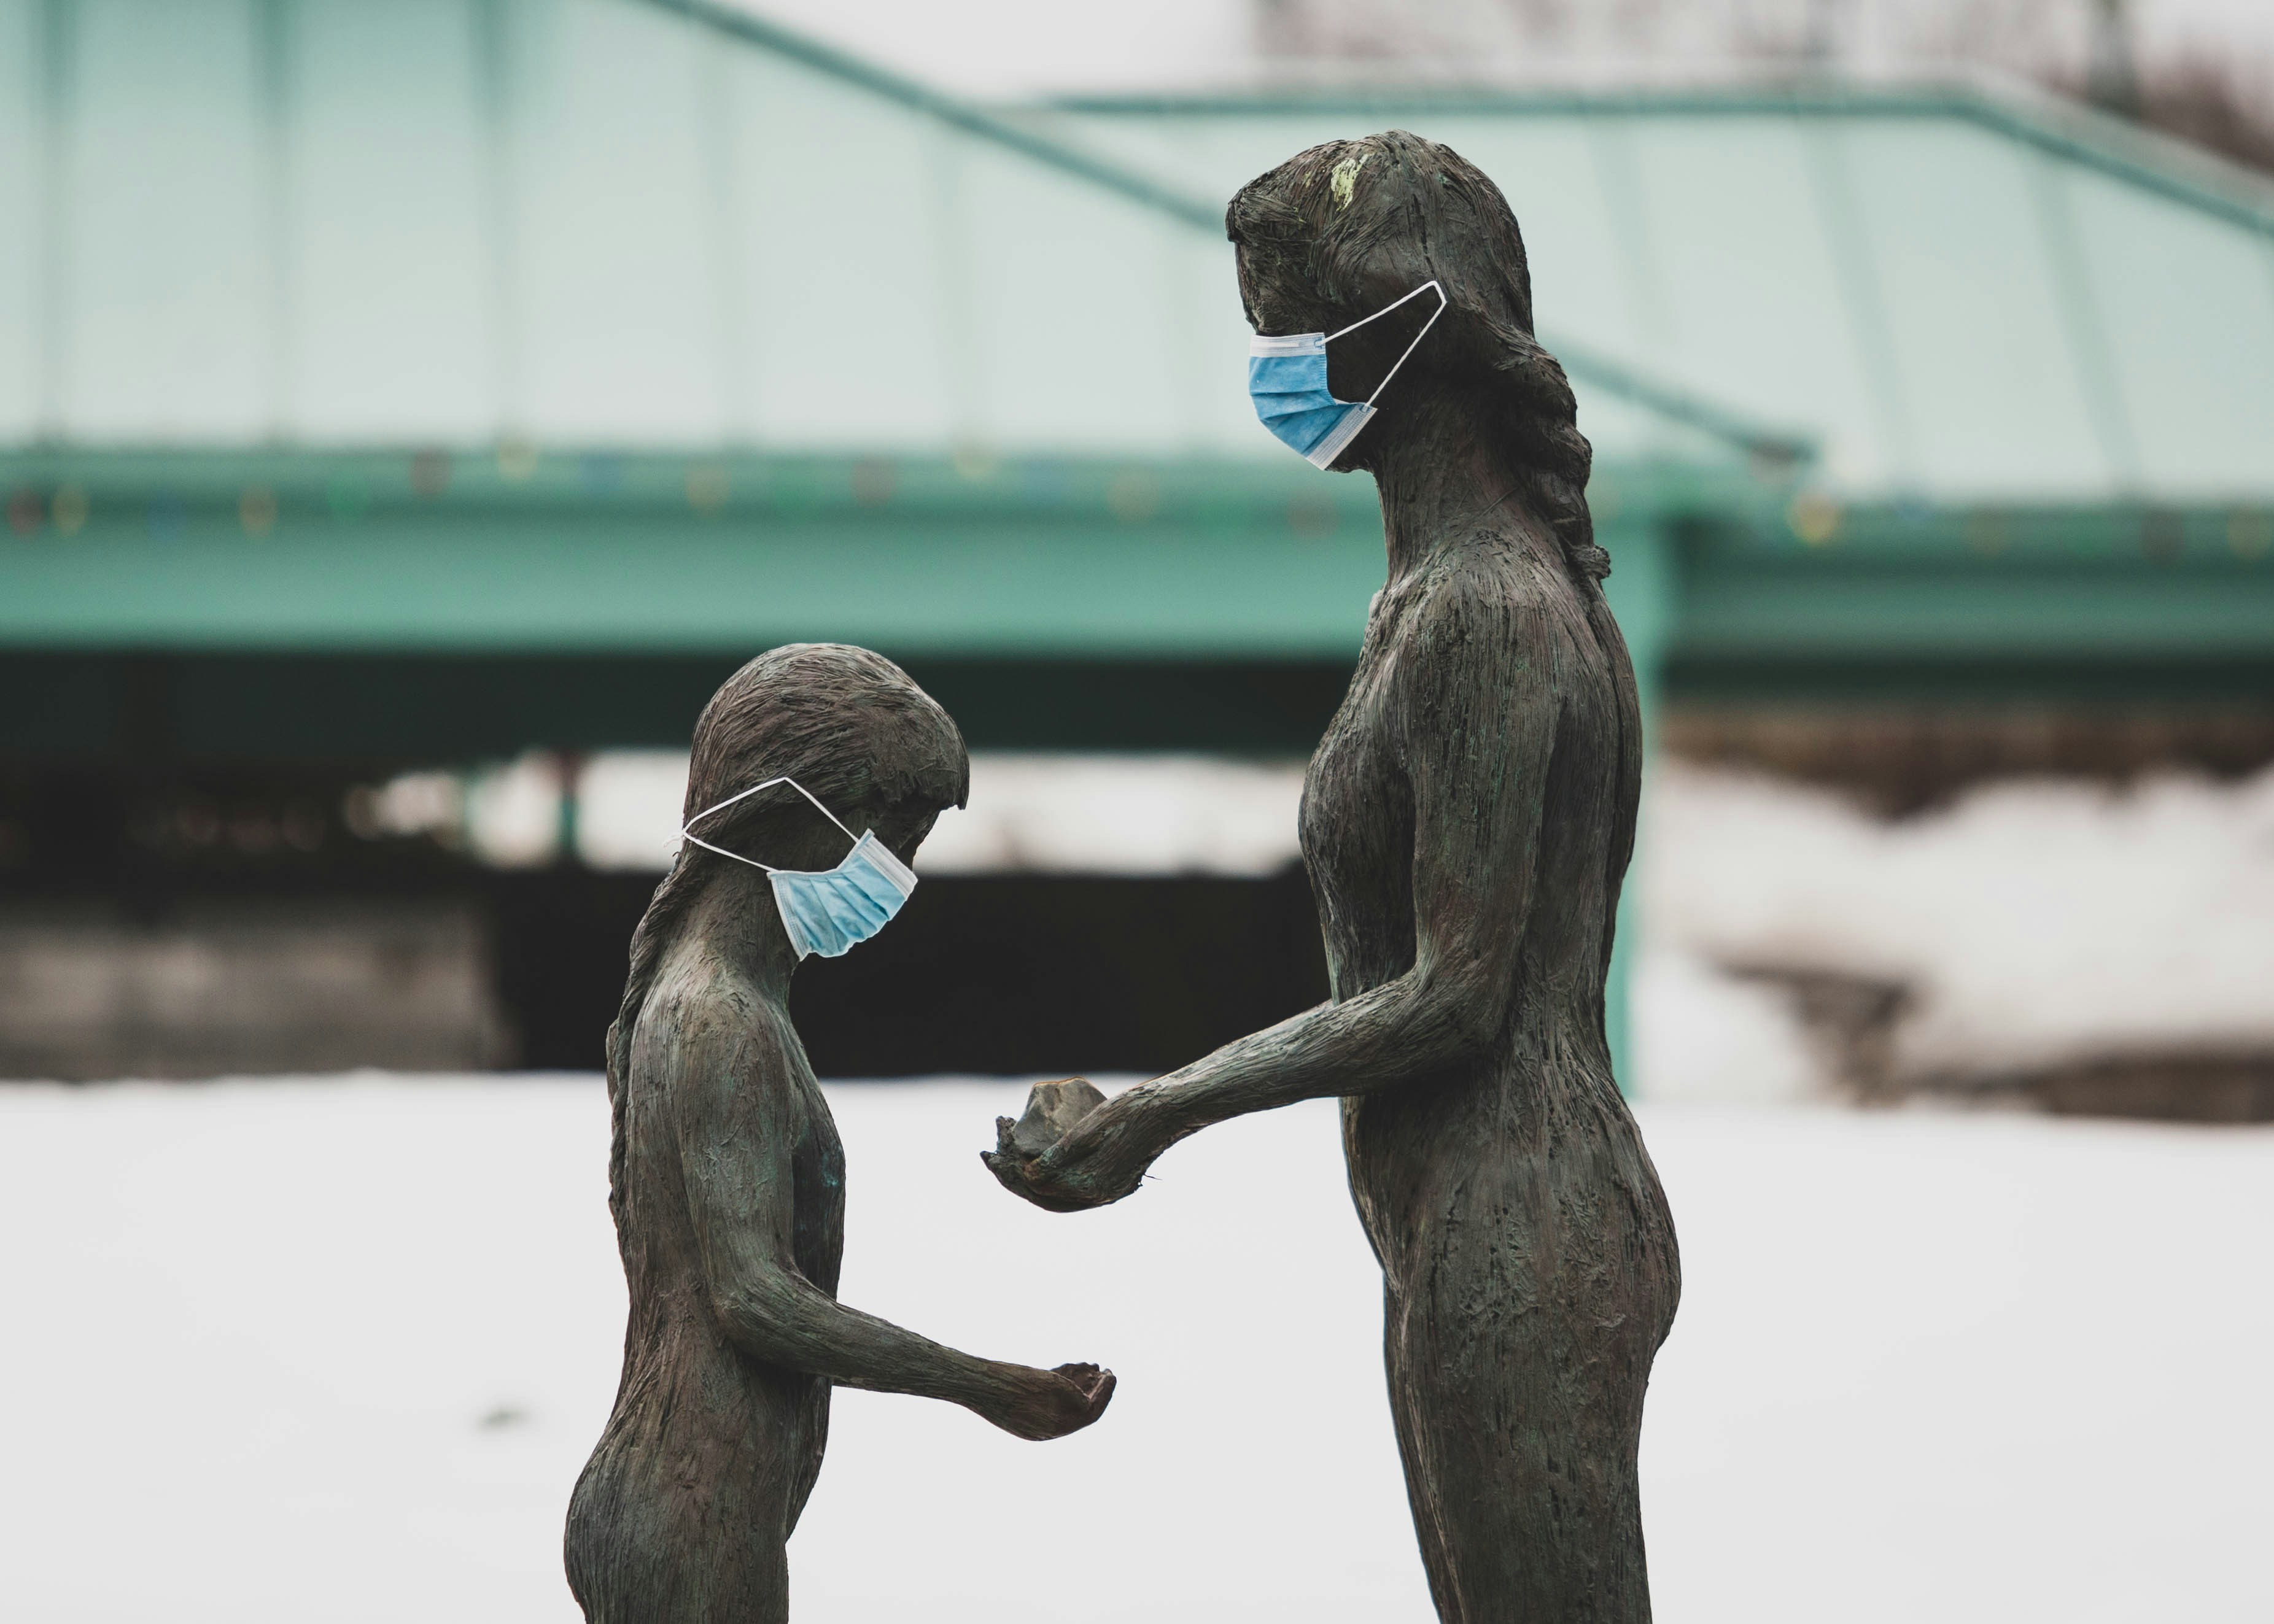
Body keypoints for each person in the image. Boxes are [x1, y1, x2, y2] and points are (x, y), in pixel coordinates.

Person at [984, 133, 1679, 1623]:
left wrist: (1156, 1112)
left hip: (1522, 1219)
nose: (1276, 372)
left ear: (1411, 324)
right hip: (1455, 1219)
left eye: (1291, 334)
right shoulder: (1428, 602)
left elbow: (1455, 996)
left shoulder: (1484, 614)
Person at [567, 643, 1113, 1624]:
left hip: (702, 1500)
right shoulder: (717, 1016)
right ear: (783, 817)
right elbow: (752, 1297)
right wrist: (987, 1385)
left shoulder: (734, 1008)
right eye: (896, 830)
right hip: (689, 1507)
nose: (902, 871)